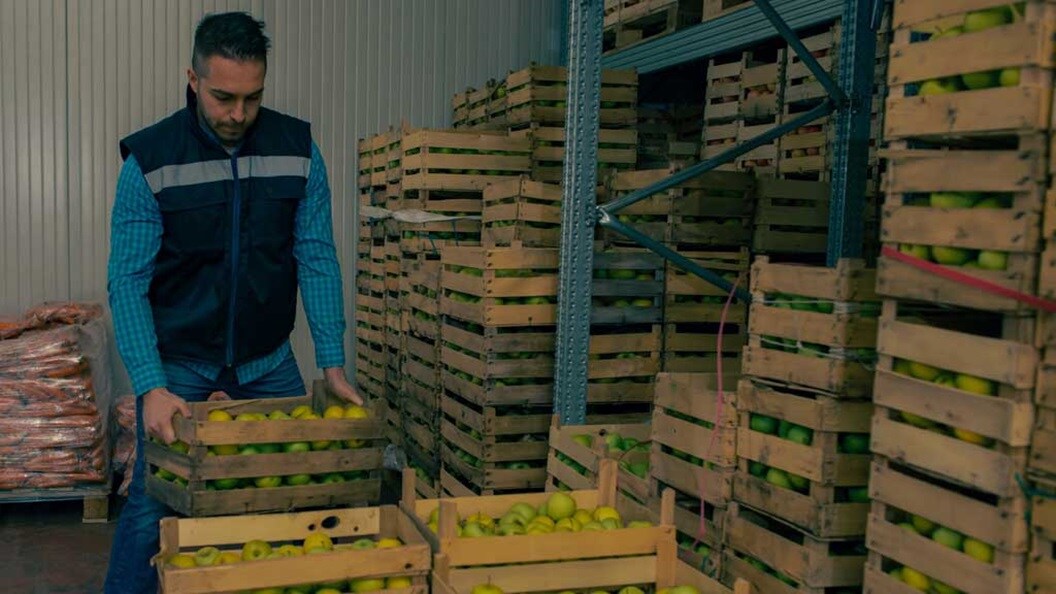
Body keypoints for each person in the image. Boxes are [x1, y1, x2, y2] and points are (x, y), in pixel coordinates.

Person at [103, 12, 361, 593]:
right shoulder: (150, 160)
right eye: (223, 97)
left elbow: (316, 255)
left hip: (268, 364)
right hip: (180, 366)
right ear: (192, 80)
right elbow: (128, 281)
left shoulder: (299, 150)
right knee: (152, 503)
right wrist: (149, 383)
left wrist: (332, 363)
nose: (239, 115)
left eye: (253, 97)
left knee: (286, 497)